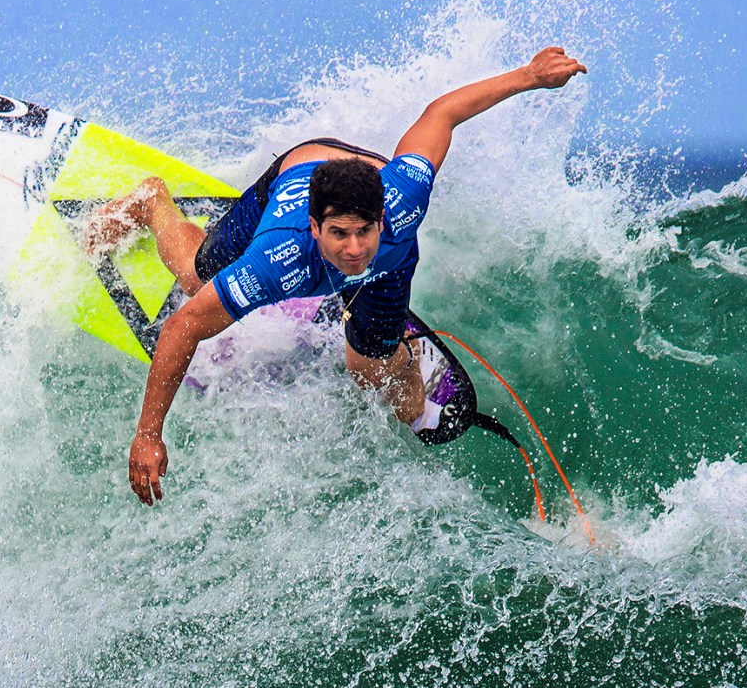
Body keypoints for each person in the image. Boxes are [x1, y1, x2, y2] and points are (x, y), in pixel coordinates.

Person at [87, 47, 587, 506]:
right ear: (314, 227)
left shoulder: (405, 200)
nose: (354, 249)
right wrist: (149, 434)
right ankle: (154, 203)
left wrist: (529, 76)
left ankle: (402, 352)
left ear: (382, 219)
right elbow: (184, 326)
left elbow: (442, 115)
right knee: (199, 281)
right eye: (338, 235)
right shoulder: (278, 257)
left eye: (364, 232)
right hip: (299, 171)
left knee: (368, 373)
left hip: (379, 233)